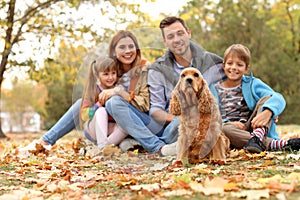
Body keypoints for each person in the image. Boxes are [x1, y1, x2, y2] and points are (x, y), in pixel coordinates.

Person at [106, 16, 226, 156]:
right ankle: (159, 147)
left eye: (180, 33)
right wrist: (180, 117)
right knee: (113, 103)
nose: (176, 40)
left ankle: (142, 142)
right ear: (165, 41)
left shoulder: (213, 63)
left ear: (188, 33)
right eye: (170, 36)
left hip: (201, 124)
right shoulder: (157, 69)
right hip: (168, 125)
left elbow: (238, 84)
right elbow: (155, 111)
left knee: (205, 96)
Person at [17, 30, 149, 154]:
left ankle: (103, 148)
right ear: (114, 51)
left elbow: (145, 104)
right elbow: (88, 111)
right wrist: (97, 105)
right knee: (85, 105)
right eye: (122, 47)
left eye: (131, 46)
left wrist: (117, 92)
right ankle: (45, 141)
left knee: (118, 116)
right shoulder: (108, 68)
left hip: (131, 122)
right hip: (104, 125)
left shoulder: (143, 69)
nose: (127, 51)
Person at [209, 44, 300, 153]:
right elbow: (209, 116)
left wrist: (269, 112)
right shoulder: (213, 88)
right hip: (231, 132)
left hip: (253, 125)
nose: (233, 67)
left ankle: (257, 137)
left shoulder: (252, 83)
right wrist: (227, 123)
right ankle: (277, 144)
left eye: (239, 64)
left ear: (246, 69)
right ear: (223, 66)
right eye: (230, 63)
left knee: (267, 99)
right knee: (223, 129)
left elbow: (277, 98)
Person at [80, 56, 127, 153]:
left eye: (113, 73)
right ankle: (102, 147)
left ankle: (102, 150)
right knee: (101, 111)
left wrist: (120, 92)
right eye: (106, 74)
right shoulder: (93, 90)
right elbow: (84, 115)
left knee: (127, 123)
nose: (110, 77)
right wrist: (98, 105)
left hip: (112, 131)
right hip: (95, 130)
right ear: (97, 75)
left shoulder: (118, 89)